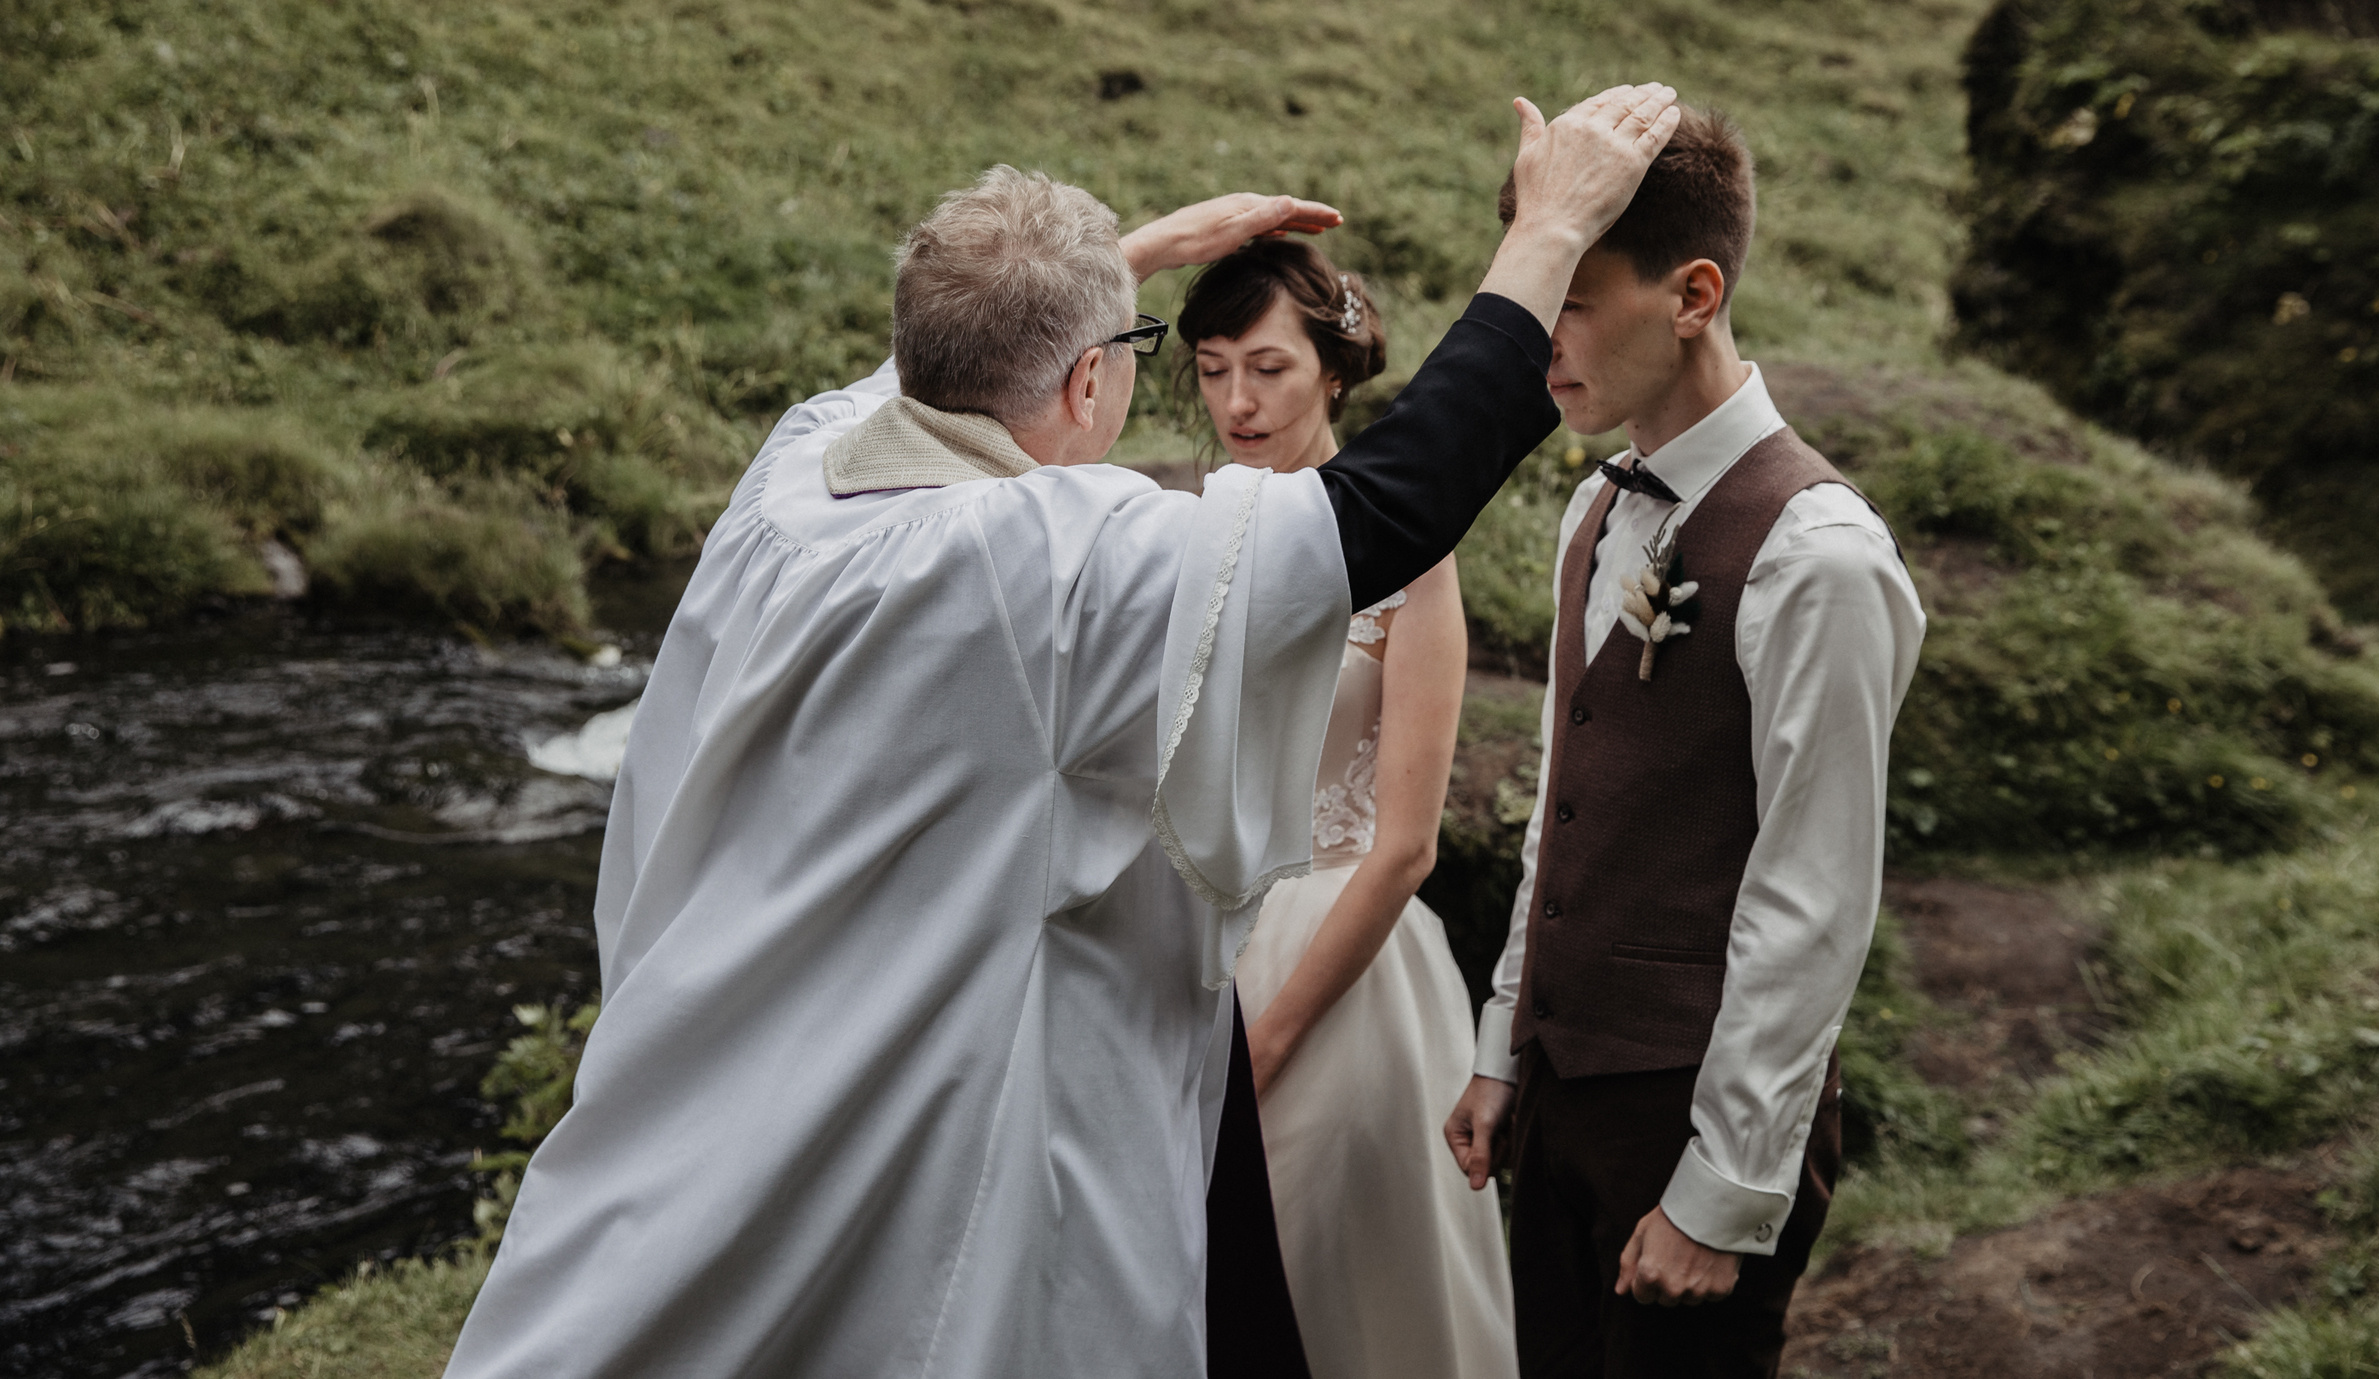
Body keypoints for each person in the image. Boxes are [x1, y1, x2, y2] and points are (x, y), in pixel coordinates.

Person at [441, 83, 1683, 1379]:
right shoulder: (1046, 563)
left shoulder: (795, 479)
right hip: (882, 1103)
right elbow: (1386, 505)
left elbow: (911, 373)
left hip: (693, 1078)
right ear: (1091, 378)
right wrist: (1546, 233)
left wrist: (1108, 264)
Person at [1441, 109, 1926, 1379]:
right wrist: (1506, 1051)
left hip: (1695, 1121)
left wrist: (1721, 1189)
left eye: (1576, 299)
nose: (1538, 336)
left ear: (1694, 294)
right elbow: (1567, 801)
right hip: (1560, 1097)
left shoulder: (1818, 558)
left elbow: (1814, 896)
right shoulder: (1597, 506)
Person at [1182, 240, 1517, 1379]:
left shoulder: (1413, 559)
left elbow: (1408, 846)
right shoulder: (1186, 540)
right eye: (1212, 368)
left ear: (1334, 370)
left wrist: (1264, 1043)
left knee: (1334, 1287)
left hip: (1343, 969)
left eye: (1268, 367)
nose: (1237, 401)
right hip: (1190, 953)